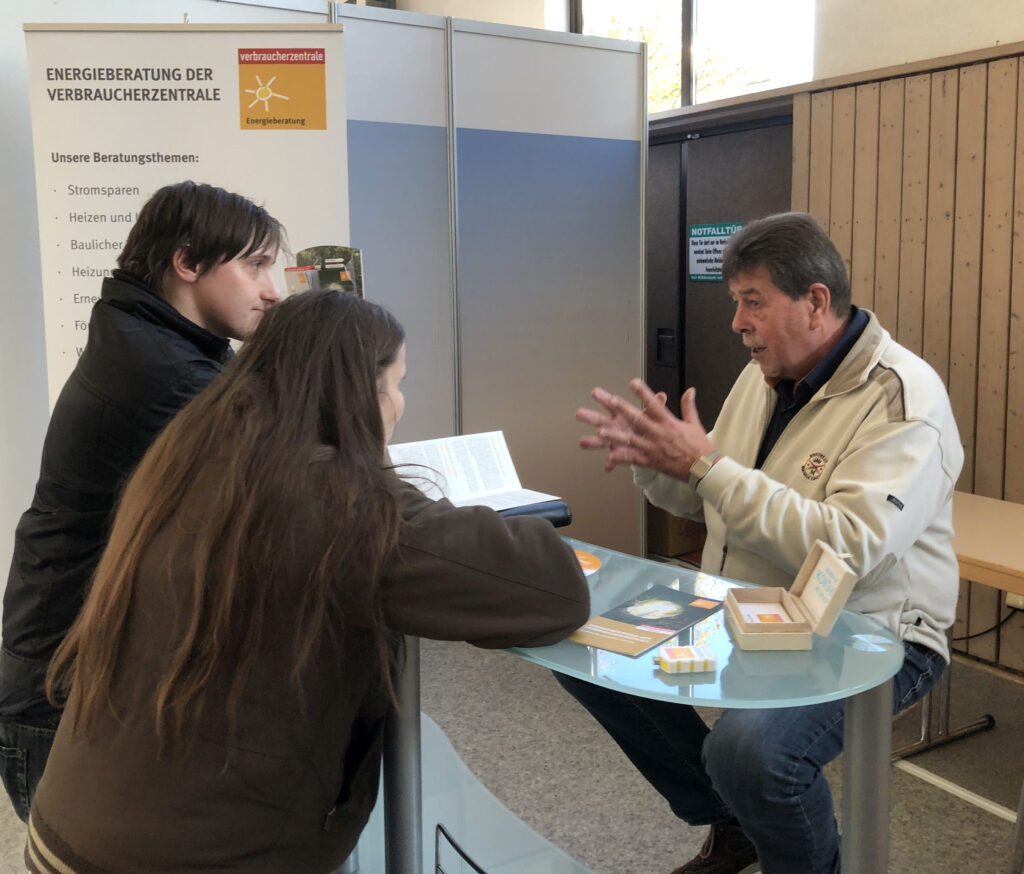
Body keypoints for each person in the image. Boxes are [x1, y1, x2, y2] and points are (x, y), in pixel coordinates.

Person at [25, 290, 590, 873]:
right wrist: (377, 466)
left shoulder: (193, 449)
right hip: (186, 856)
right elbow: (552, 588)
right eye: (393, 385)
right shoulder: (339, 505)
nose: (400, 401)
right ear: (355, 394)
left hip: (71, 829)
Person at [561, 212, 962, 874]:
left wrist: (707, 466)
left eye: (753, 302)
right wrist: (662, 463)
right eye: (734, 303)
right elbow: (709, 498)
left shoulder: (902, 398)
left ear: (816, 301)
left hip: (873, 628)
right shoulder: (764, 373)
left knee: (750, 752)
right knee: (588, 648)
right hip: (750, 605)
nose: (736, 322)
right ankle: (738, 822)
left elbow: (849, 550)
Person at [0, 181, 284, 820]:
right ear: (187, 264)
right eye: (256, 265)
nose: (272, 290)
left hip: (77, 676)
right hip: (67, 695)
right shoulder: (167, 373)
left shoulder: (156, 342)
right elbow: (293, 486)